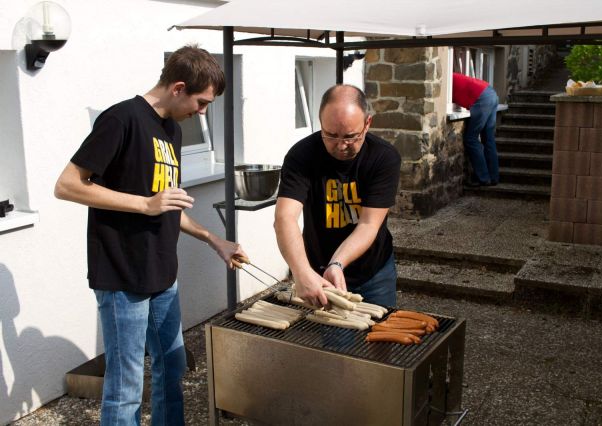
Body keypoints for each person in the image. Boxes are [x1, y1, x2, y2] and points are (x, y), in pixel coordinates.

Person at [54, 45, 247, 425]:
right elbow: (67, 185)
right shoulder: (121, 119)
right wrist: (144, 205)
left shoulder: (171, 130)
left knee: (172, 369)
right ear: (178, 87)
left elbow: (167, 205)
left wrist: (214, 240)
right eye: (202, 101)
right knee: (126, 388)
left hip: (162, 274)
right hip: (123, 276)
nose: (203, 112)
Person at [274, 84, 401, 308]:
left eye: (351, 136)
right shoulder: (301, 156)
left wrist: (338, 263)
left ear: (367, 123)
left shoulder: (384, 157)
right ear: (320, 122)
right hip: (319, 271)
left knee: (382, 338)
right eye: (330, 135)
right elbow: (285, 218)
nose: (341, 146)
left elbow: (369, 224)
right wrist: (302, 272)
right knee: (335, 341)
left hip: (374, 271)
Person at [452, 72, 500, 186]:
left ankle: (483, 178)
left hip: (482, 99)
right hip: (491, 93)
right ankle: (494, 177)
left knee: (471, 139)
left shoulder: (445, 81)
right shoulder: (452, 76)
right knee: (488, 139)